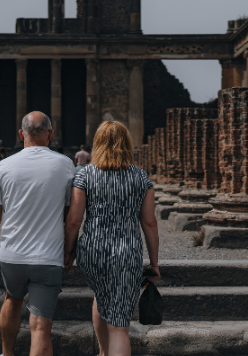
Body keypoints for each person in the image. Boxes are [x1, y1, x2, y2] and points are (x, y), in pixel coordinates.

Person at [0, 111, 74, 356]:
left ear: (21, 135)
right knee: (40, 326)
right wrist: (70, 251)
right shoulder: (65, 164)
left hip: (13, 254)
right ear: (50, 134)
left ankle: (7, 353)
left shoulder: (4, 166)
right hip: (49, 256)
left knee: (12, 299)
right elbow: (71, 217)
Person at [64, 121, 159, 356]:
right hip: (127, 253)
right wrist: (154, 263)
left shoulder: (85, 174)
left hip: (93, 251)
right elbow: (149, 222)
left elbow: (74, 220)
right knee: (119, 326)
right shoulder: (141, 177)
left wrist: (69, 251)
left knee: (103, 294)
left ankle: (104, 353)